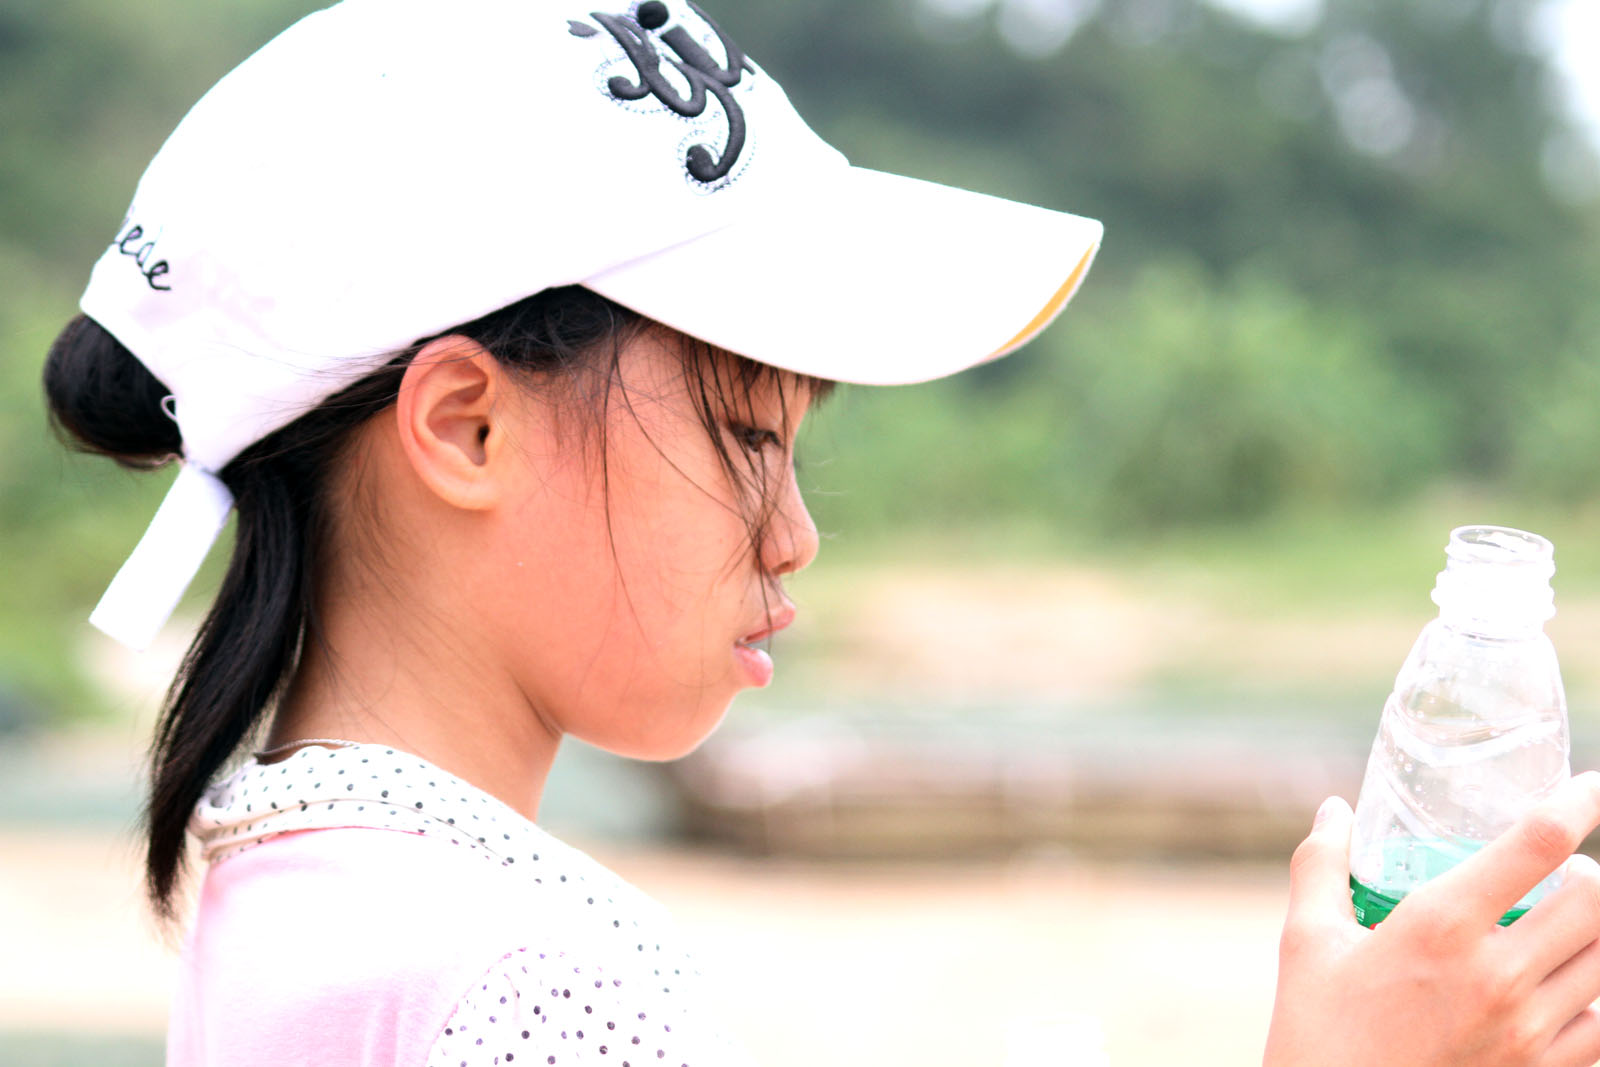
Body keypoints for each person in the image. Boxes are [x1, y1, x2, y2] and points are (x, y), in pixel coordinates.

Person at [40, 1, 1600, 1064]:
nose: (791, 535)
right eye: (744, 436)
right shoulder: (536, 990)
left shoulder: (302, 896)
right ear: (467, 426)